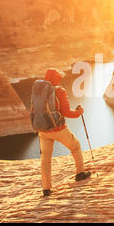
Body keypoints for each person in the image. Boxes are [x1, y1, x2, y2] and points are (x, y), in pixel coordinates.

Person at [38, 68, 91, 197]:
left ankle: (46, 189)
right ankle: (80, 173)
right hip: (58, 129)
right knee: (76, 146)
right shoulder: (59, 91)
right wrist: (79, 112)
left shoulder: (38, 89)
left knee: (45, 159)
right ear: (57, 79)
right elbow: (67, 112)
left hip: (43, 130)